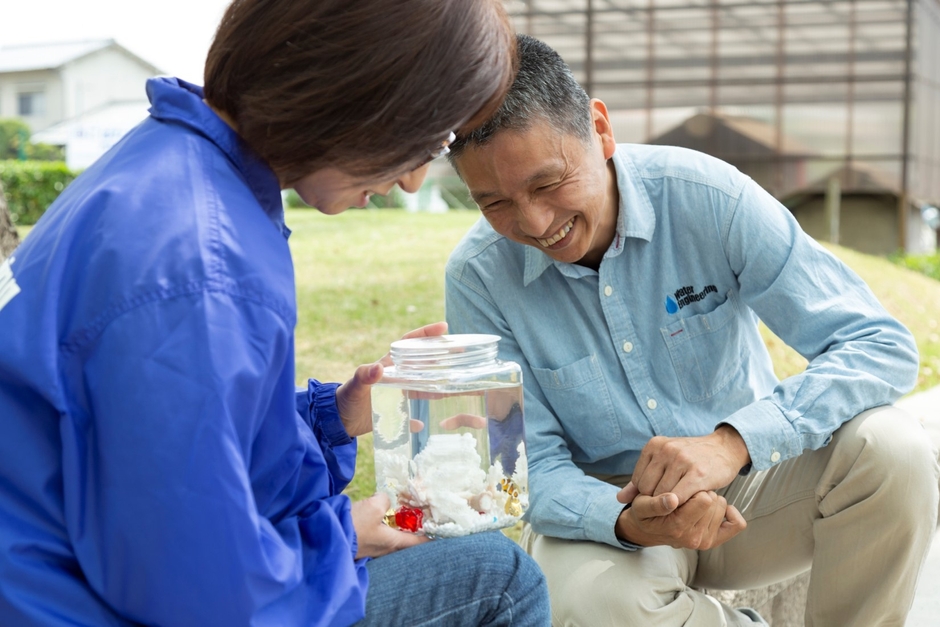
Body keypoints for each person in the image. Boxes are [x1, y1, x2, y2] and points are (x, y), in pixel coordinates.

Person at [0, 2, 551, 626]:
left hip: (67, 568)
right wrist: (347, 536)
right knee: (499, 579)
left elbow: (181, 450)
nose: (415, 181)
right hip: (73, 603)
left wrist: (333, 418)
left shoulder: (172, 163)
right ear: (364, 92)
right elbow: (203, 595)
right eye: (429, 138)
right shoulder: (201, 264)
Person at [444, 34, 939, 626]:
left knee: (895, 451)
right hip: (607, 515)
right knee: (582, 601)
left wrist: (733, 443)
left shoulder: (709, 196)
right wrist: (626, 518)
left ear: (600, 131)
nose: (534, 222)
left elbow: (877, 345)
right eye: (494, 203)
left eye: (548, 184)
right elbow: (525, 469)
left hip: (752, 485)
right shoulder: (477, 279)